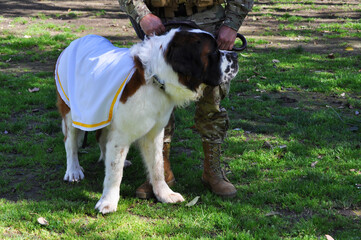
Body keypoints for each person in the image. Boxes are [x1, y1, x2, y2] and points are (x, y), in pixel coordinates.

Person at [118, 0, 254, 198]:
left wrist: (232, 24)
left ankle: (212, 172)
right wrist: (143, 15)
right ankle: (160, 173)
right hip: (160, 25)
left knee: (212, 104)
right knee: (156, 103)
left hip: (209, 22)